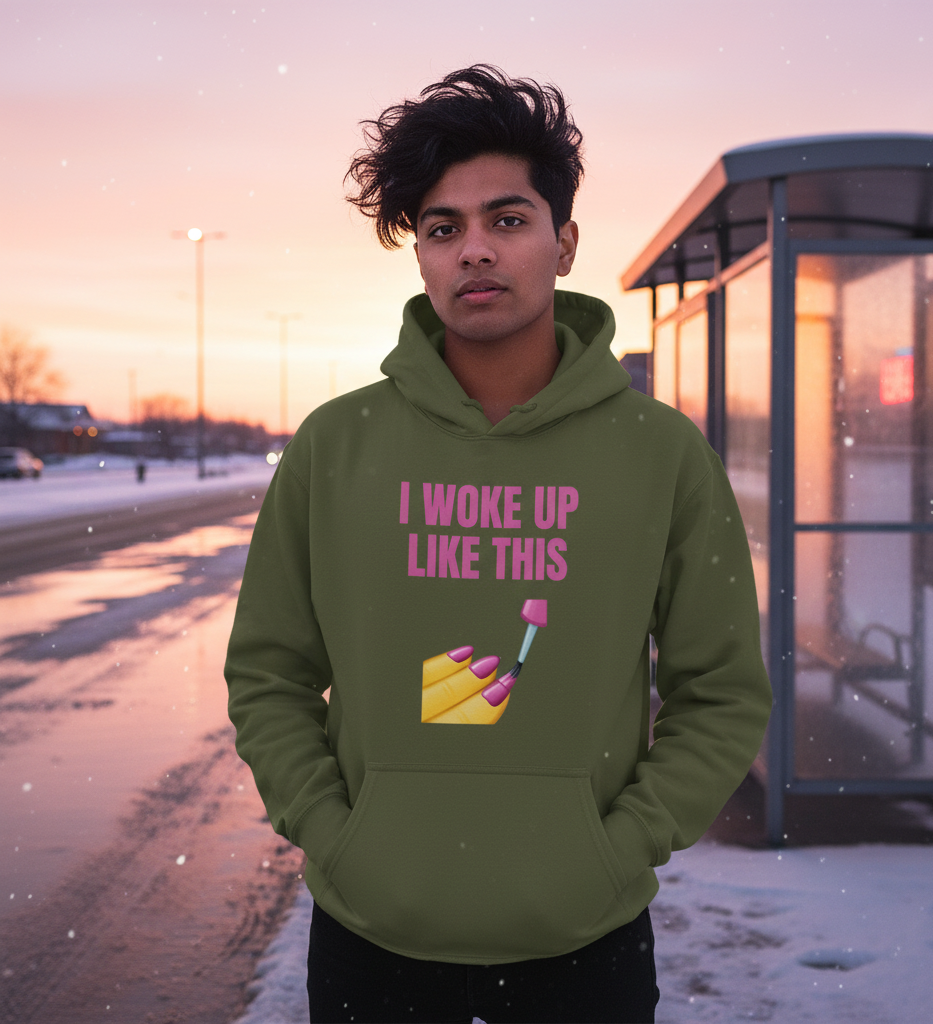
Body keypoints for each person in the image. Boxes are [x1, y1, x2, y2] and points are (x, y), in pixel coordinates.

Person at [225, 65, 772, 1024]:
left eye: (507, 220)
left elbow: (721, 691)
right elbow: (269, 672)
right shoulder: (334, 446)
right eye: (444, 229)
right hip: (370, 947)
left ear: (563, 242)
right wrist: (333, 833)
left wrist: (617, 846)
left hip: (582, 948)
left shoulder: (660, 455)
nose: (475, 250)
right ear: (422, 257)